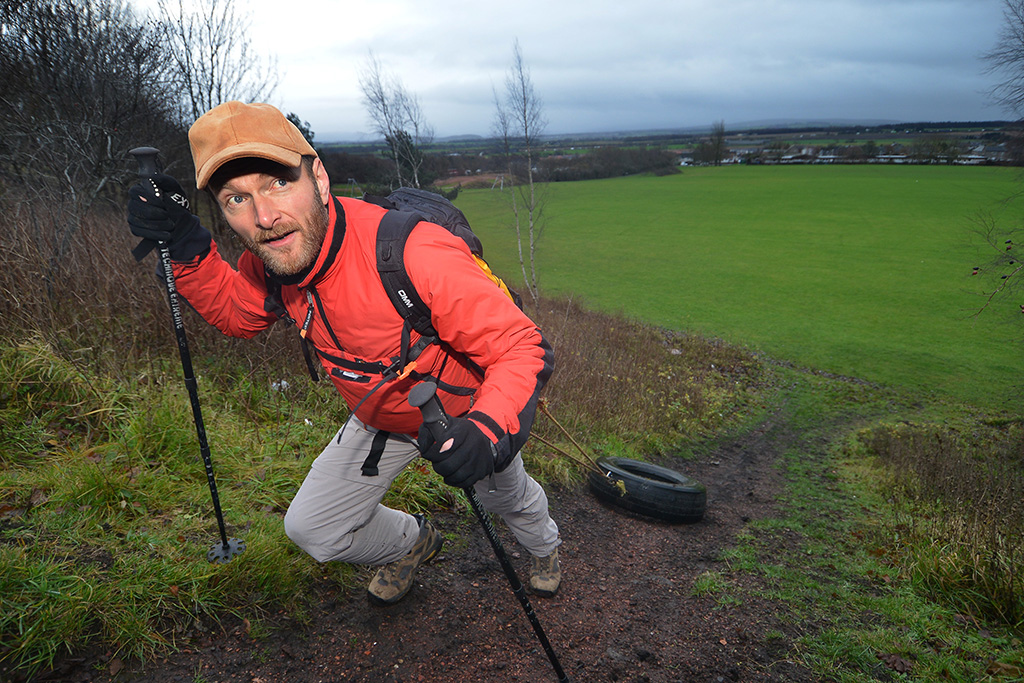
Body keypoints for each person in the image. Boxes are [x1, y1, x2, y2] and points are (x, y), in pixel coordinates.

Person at [126, 101, 561, 604]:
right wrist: (185, 248)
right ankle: (412, 543)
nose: (265, 216)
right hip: (379, 416)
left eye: (278, 184)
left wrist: (486, 430)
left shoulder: (411, 253)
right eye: (236, 199)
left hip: (466, 412)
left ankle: (544, 548)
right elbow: (236, 314)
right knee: (313, 529)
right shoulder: (275, 262)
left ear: (320, 180)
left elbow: (520, 345)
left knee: (509, 499)